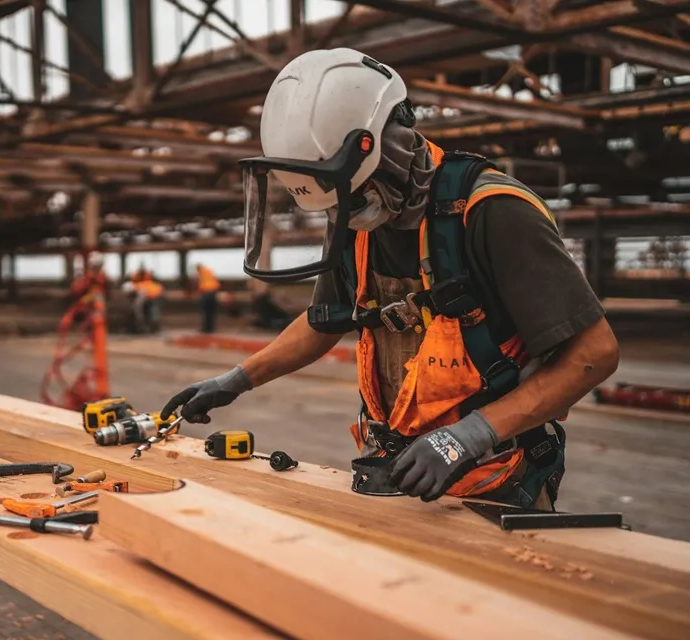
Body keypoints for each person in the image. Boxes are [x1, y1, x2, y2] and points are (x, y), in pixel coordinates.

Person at [161, 48, 618, 510]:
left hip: (494, 477)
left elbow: (595, 353)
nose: (346, 214)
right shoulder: (353, 218)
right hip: (393, 470)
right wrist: (237, 379)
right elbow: (325, 320)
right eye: (337, 204)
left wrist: (471, 435)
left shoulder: (492, 212)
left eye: (354, 197)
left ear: (390, 148)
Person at [194, 263, 221, 333]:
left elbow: (201, 285)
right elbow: (216, 282)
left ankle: (207, 328)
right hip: (213, 292)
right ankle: (211, 328)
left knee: (206, 312)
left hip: (207, 293)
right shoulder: (209, 271)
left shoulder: (201, 273)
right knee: (211, 312)